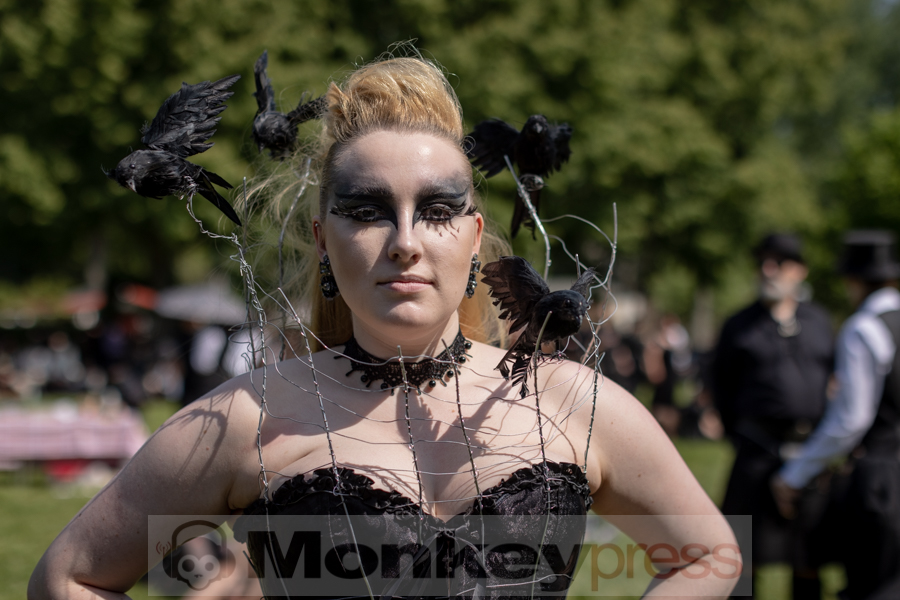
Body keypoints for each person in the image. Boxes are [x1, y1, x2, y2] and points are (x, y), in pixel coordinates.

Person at [29, 51, 737, 599]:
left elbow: (708, 554)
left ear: (474, 238)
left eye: (437, 211)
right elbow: (70, 578)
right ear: (323, 240)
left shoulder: (569, 401)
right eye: (368, 211)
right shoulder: (250, 418)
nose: (405, 241)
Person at [772, 230, 900, 600]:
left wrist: (795, 474)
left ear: (853, 280)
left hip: (883, 477)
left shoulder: (864, 328)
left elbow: (851, 419)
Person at [713, 233, 834, 599]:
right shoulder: (739, 325)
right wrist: (743, 434)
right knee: (741, 557)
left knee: (809, 556)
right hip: (756, 452)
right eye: (763, 262)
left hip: (810, 453)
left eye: (779, 262)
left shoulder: (820, 322)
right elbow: (722, 387)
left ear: (800, 270)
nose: (768, 270)